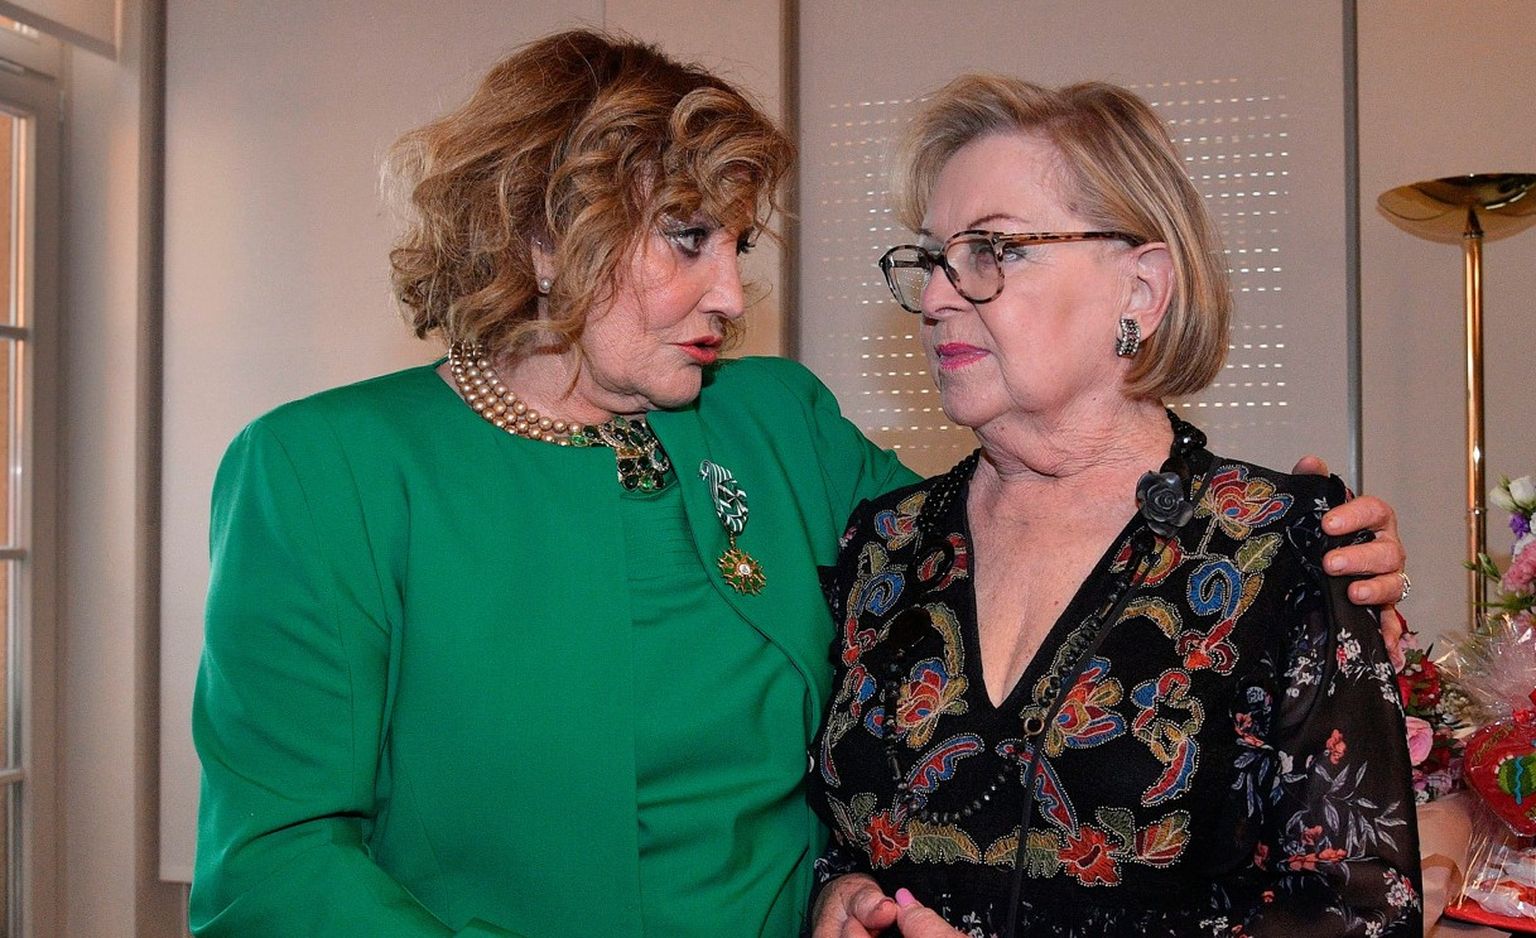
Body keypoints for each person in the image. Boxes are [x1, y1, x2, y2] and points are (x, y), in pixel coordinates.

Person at [190, 31, 1409, 937]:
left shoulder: (774, 424)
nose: (731, 291)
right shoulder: (325, 470)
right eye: (688, 238)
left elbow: (1051, 537)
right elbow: (273, 859)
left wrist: (1298, 561)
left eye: (738, 243)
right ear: (546, 232)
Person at [808, 76, 1420, 938]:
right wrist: (836, 893)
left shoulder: (1278, 546)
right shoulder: (886, 544)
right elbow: (826, 825)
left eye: (993, 250)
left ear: (1141, 289)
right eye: (934, 259)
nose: (939, 297)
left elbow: (1359, 915)